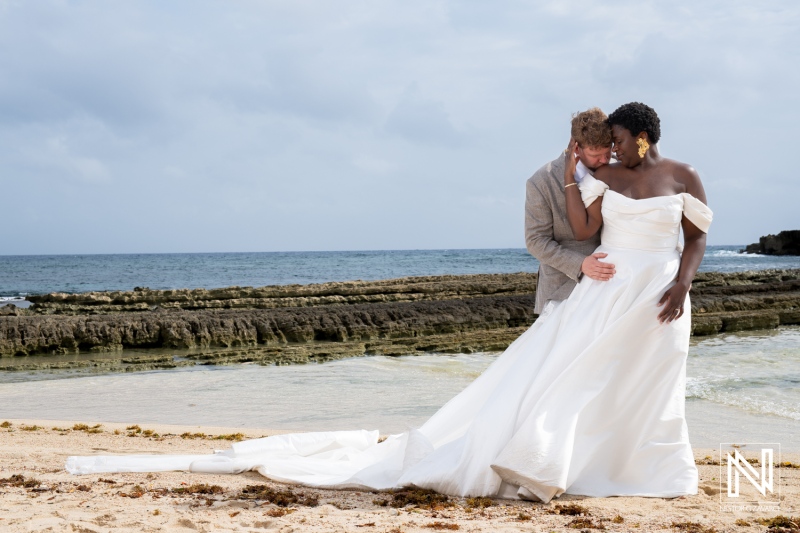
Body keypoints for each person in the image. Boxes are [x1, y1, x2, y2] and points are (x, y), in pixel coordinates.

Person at [66, 102, 712, 503]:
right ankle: (549, 456)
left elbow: (695, 232)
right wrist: (582, 210)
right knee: (558, 381)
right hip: (585, 288)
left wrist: (680, 280)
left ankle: (631, 462)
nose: (609, 153)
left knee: (639, 383)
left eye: (616, 144)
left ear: (638, 140)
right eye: (600, 146)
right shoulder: (567, 178)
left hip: (643, 289)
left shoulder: (660, 174)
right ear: (581, 143)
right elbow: (544, 238)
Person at [525, 107, 616, 315]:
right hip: (561, 292)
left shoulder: (619, 169)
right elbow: (535, 240)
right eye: (595, 154)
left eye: (607, 152)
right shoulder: (541, 181)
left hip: (613, 288)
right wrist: (580, 264)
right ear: (576, 147)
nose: (604, 160)